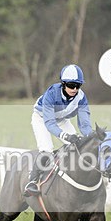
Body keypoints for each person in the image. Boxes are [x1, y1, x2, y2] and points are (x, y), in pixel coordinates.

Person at [24, 64, 92, 196]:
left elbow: (84, 124)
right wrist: (65, 136)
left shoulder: (81, 97)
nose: (75, 89)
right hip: (42, 119)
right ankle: (32, 182)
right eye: (71, 85)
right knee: (47, 149)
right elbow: (49, 123)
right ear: (63, 83)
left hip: (62, 120)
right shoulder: (52, 94)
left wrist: (90, 137)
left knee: (77, 146)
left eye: (78, 86)